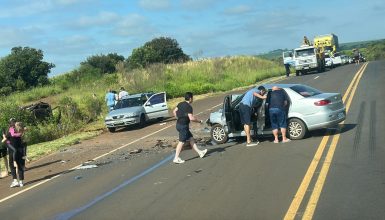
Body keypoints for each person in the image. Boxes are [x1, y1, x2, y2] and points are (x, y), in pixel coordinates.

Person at [172, 92, 207, 164]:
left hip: (178, 124)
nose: (193, 99)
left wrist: (179, 118)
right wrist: (199, 121)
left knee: (191, 138)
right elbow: (191, 118)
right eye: (192, 98)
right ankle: (176, 158)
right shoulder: (189, 107)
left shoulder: (180, 104)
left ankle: (200, 153)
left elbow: (174, 111)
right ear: (190, 98)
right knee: (181, 142)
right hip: (183, 126)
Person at [5, 120, 26, 187]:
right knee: (21, 165)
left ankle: (15, 180)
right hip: (21, 150)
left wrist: (8, 144)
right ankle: (21, 181)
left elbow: (7, 139)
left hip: (12, 150)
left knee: (12, 165)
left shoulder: (11, 129)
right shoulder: (20, 130)